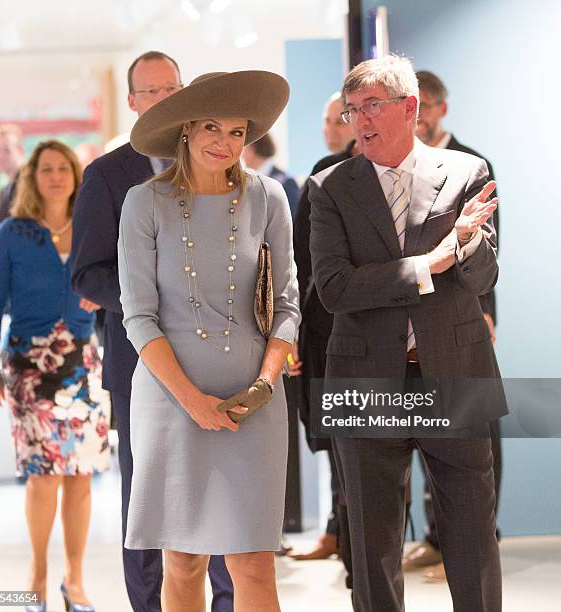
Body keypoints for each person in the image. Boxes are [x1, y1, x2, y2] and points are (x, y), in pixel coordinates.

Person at [308, 55, 506, 612]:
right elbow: (335, 289)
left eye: (372, 106)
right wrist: (429, 265)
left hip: (456, 372)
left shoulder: (467, 172)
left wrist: (466, 247)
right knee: (371, 543)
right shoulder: (328, 188)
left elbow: (485, 277)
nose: (360, 121)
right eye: (352, 111)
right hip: (364, 376)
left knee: (472, 534)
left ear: (411, 108)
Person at [117, 69, 300, 611]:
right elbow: (138, 317)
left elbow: (286, 305)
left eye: (238, 132)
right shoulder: (142, 203)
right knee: (183, 560)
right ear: (186, 130)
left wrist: (265, 386)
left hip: (255, 401)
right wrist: (191, 400)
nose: (225, 142)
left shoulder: (269, 199)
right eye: (212, 128)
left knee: (254, 563)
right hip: (171, 399)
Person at [71, 51, 234, 612]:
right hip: (140, 362)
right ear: (134, 102)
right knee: (147, 498)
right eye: (152, 91)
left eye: (173, 88)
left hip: (221, 358)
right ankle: (149, 605)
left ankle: (226, 603)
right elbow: (87, 271)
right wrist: (154, 305)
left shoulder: (221, 169)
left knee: (221, 491)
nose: (164, 99)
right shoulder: (107, 175)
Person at [0, 140, 110, 612]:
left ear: (77, 177)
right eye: (46, 169)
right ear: (33, 177)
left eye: (63, 168)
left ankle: (74, 582)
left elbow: (116, 283)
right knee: (43, 476)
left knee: (80, 477)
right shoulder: (14, 232)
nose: (55, 176)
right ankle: (36, 578)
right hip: (28, 368)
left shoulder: (93, 228)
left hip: (82, 364)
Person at [402, 69, 503, 583]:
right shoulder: (388, 169)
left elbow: (486, 255)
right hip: (408, 334)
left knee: (474, 446)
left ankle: (480, 539)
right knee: (425, 439)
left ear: (437, 108)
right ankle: (438, 539)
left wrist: (486, 315)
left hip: (466, 321)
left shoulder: (471, 163)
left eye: (422, 107)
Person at [285, 100, 360, 565]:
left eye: (342, 118)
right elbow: (298, 255)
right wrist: (290, 328)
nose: (336, 128)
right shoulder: (324, 174)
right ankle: (340, 531)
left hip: (378, 328)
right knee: (335, 436)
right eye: (331, 119)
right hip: (325, 326)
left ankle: (351, 538)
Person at [241, 132, 300, 218]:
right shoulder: (244, 181)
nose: (241, 155)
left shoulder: (286, 182)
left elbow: (293, 221)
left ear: (253, 148)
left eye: (244, 147)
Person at [0, 124, 25, 225]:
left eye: (7, 151)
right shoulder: (6, 188)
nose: (0, 156)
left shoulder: (27, 187)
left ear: (20, 151)